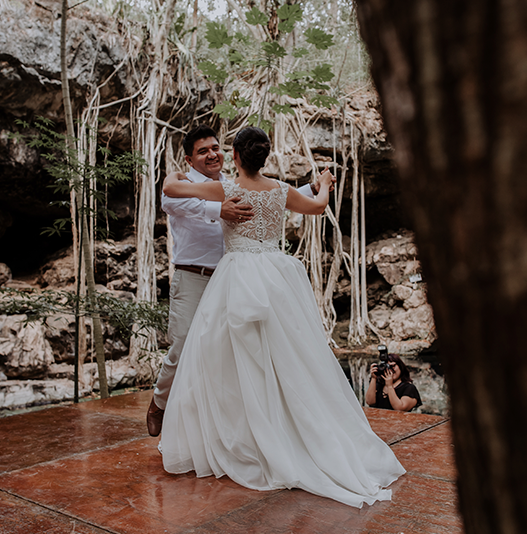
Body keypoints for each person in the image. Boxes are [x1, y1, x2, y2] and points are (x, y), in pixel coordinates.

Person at [159, 126, 405, 508]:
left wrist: (175, 172)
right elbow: (319, 205)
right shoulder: (279, 190)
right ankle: (286, 430)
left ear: (236, 158)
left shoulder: (226, 190)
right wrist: (322, 182)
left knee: (228, 357)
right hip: (276, 275)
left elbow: (172, 190)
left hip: (238, 275)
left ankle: (245, 434)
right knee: (288, 356)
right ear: (263, 157)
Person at [147, 124, 324, 437]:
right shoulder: (192, 186)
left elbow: (272, 197)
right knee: (184, 344)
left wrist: (312, 188)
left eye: (215, 147)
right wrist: (220, 209)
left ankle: (222, 426)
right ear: (189, 160)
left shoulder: (233, 184)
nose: (211, 154)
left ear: (229, 153)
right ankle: (160, 402)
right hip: (194, 276)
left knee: (231, 353)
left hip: (236, 282)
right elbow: (171, 199)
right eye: (203, 151)